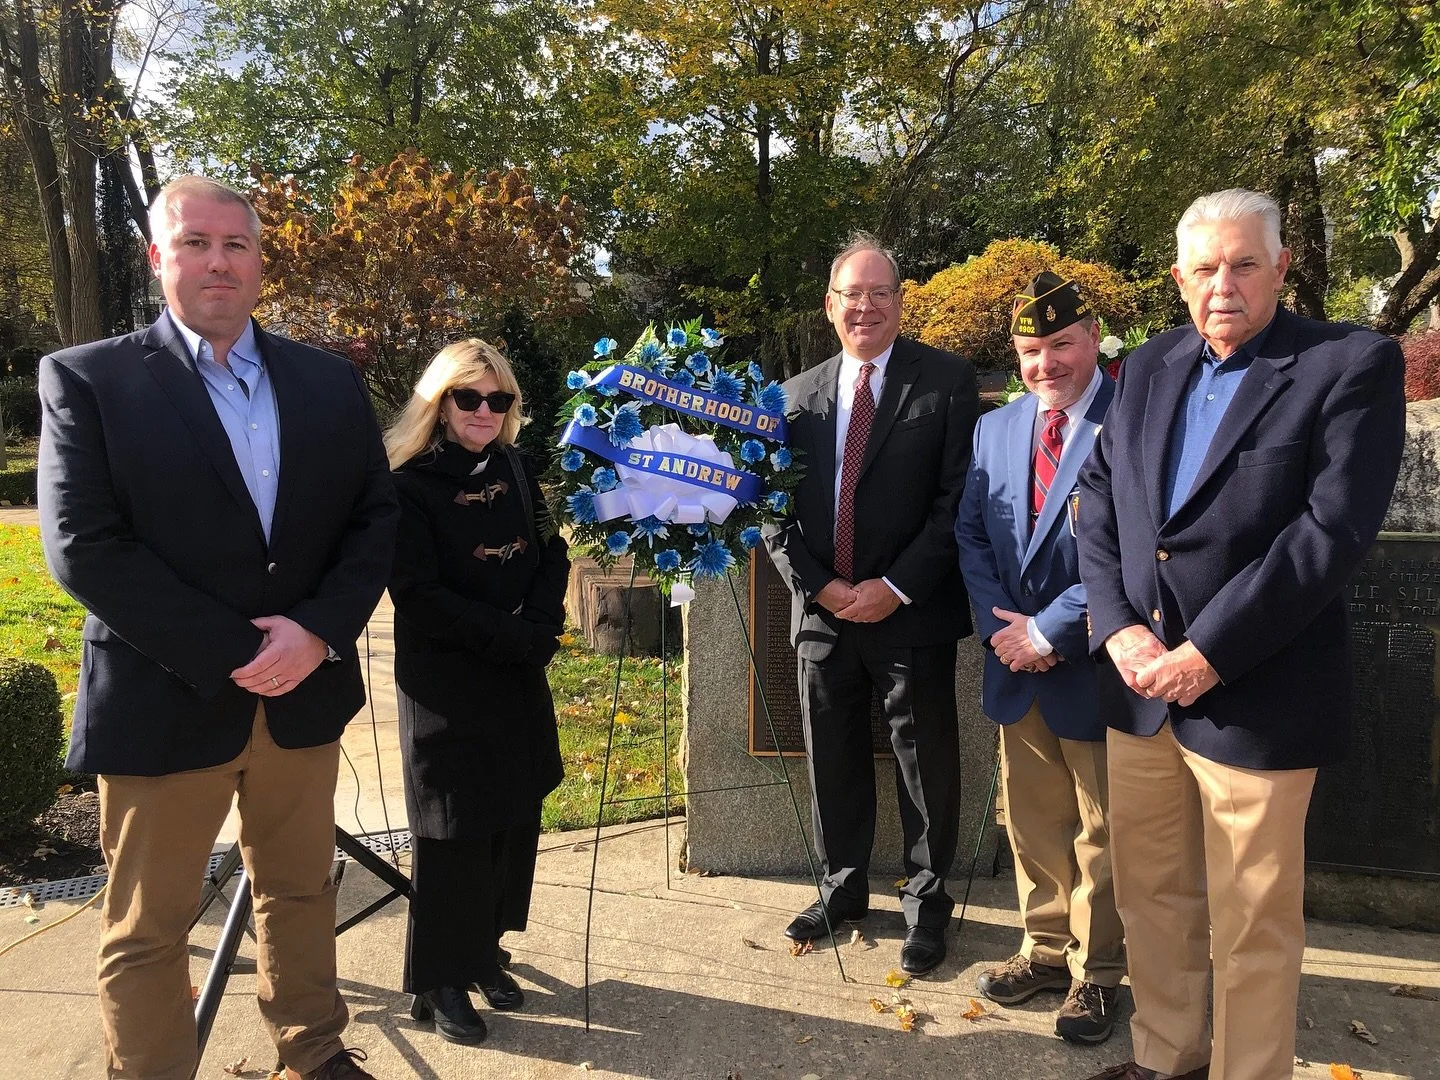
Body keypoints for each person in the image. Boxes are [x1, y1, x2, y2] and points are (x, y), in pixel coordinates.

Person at [37, 176, 398, 1080]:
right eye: (195, 242)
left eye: (236, 244)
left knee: (302, 891)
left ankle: (313, 1054)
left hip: (302, 697)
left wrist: (314, 634)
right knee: (150, 925)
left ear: (260, 261)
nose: (218, 261)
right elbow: (85, 547)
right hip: (167, 697)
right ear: (158, 257)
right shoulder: (89, 379)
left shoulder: (327, 380)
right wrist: (244, 651)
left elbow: (373, 520)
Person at [1077, 189, 1406, 1080]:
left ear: (1281, 267)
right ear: (1180, 278)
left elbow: (1328, 534)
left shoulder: (1350, 364)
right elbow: (1099, 502)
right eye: (1206, 268)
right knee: (1152, 896)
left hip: (1257, 692)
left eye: (1244, 264)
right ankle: (1166, 1057)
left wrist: (1206, 652)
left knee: (1254, 919)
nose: (1224, 285)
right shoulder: (1145, 365)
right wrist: (1117, 632)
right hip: (1141, 689)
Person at [764, 232, 979, 975]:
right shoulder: (791, 398)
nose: (865, 307)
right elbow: (769, 507)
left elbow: (959, 500)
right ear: (830, 306)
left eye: (879, 293)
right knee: (832, 757)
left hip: (911, 613)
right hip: (822, 614)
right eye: (851, 295)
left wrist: (892, 587)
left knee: (925, 763)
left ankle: (927, 903)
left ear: (899, 299)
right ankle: (843, 886)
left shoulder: (946, 383)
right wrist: (821, 584)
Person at [384, 340, 569, 1046]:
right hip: (446, 679)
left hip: (516, 669)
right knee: (454, 829)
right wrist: (509, 636)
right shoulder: (408, 484)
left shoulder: (519, 469)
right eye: (470, 397)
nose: (485, 411)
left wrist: (545, 627)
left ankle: (485, 948)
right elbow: (417, 595)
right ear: (440, 401)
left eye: (499, 399)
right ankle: (439, 977)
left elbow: (552, 552)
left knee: (512, 814)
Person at [955, 272, 1124, 1044]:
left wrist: (1047, 630)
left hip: (1093, 663)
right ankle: (1045, 949)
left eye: (1060, 344)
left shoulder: (1132, 420)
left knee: (1103, 829)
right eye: (1030, 350)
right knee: (1032, 821)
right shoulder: (998, 429)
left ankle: (1099, 975)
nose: (1045, 364)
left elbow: (1131, 550)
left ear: (1093, 337)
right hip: (1015, 664)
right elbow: (972, 534)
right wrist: (1003, 632)